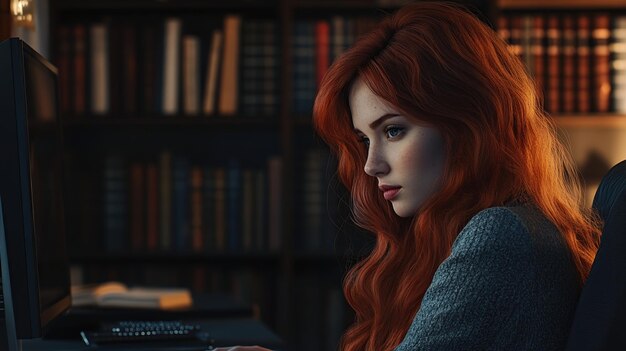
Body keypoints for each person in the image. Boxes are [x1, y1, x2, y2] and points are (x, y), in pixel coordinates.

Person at [216, 2, 601, 350]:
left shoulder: (499, 235)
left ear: (468, 124)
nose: (371, 165)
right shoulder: (508, 225)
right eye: (365, 139)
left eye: (393, 130)